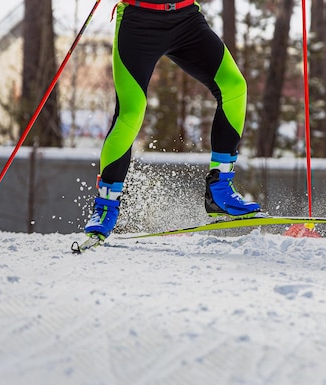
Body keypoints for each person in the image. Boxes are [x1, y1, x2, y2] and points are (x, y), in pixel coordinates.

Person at [85, 0, 261, 240]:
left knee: (234, 87)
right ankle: (106, 205)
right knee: (131, 111)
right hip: (138, 22)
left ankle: (219, 188)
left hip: (186, 19)